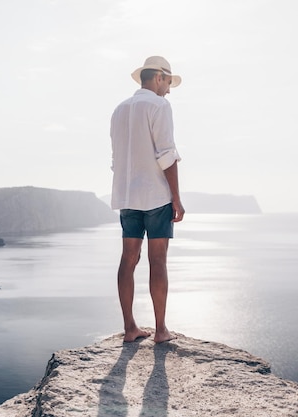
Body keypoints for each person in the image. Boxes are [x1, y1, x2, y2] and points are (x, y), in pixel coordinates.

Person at [110, 56, 185, 343]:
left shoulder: (119, 110)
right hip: (155, 195)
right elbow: (167, 154)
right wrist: (176, 198)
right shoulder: (159, 105)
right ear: (158, 78)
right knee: (158, 261)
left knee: (128, 259)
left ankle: (130, 328)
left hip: (127, 195)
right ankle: (161, 330)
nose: (169, 88)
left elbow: (117, 159)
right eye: (168, 82)